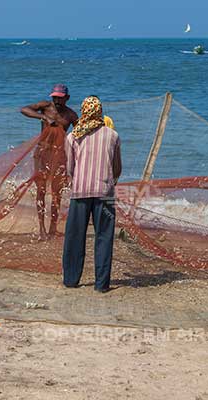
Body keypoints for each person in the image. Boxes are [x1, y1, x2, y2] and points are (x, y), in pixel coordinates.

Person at [62, 96, 122, 293]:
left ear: (83, 111)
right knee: (104, 237)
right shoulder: (112, 135)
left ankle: (71, 280)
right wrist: (109, 181)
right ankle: (101, 284)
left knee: (74, 236)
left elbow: (70, 168)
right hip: (105, 193)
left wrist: (78, 179)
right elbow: (117, 168)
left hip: (80, 191)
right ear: (100, 111)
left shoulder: (73, 136)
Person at [21, 84, 78, 240]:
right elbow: (24, 109)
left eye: (60, 98)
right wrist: (43, 117)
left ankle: (53, 227)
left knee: (57, 192)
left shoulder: (71, 115)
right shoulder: (45, 107)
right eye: (55, 97)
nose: (57, 101)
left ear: (67, 98)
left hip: (59, 156)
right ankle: (42, 229)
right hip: (42, 154)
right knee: (41, 190)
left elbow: (79, 133)